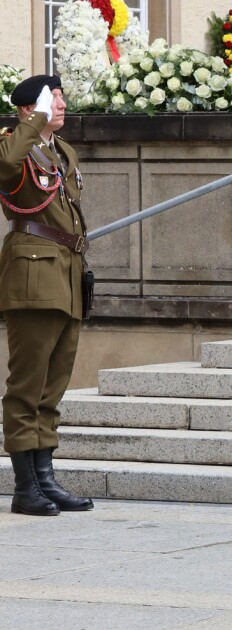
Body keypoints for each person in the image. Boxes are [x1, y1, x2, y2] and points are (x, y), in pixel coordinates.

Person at [0, 74, 94, 515]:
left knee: (53, 384)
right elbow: (6, 166)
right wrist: (33, 122)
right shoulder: (12, 144)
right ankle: (25, 488)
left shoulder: (63, 152)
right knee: (27, 384)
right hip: (33, 276)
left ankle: (44, 479)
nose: (59, 105)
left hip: (67, 272)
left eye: (58, 99)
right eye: (49, 100)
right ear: (26, 110)